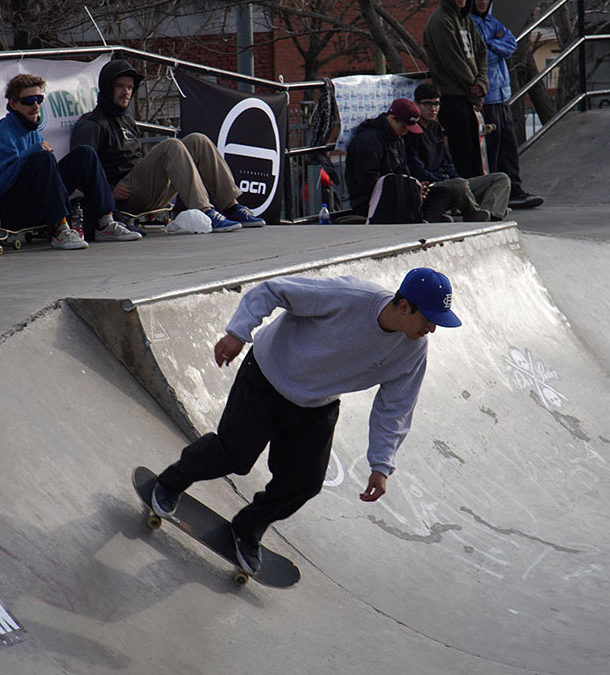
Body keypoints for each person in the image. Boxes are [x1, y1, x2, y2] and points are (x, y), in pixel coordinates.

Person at [151, 268, 462, 574]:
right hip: (266, 376)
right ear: (404, 306)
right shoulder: (349, 297)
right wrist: (237, 332)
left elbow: (396, 406)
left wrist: (381, 464)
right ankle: (171, 482)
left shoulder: (414, 350)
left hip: (316, 404)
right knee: (235, 455)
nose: (431, 330)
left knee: (304, 483)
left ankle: (247, 528)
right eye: (428, 320)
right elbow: (272, 289)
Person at [70, 59, 265, 233]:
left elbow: (139, 159)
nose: (126, 92)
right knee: (172, 145)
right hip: (123, 197)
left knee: (198, 140)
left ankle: (231, 206)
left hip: (146, 189)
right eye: (120, 86)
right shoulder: (92, 123)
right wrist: (109, 189)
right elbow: (81, 167)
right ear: (106, 88)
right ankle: (204, 211)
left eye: (130, 87)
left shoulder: (127, 119)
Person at [0, 74, 141, 250]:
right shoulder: (4, 131)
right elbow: (3, 183)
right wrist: (30, 154)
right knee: (43, 157)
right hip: (15, 210)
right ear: (13, 104)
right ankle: (60, 229)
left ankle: (105, 223)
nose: (35, 106)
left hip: (38, 202)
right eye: (28, 100)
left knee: (85, 154)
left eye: (39, 99)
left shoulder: (32, 130)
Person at [345, 98, 489, 223]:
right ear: (392, 118)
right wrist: (405, 190)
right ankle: (420, 217)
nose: (405, 132)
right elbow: (368, 182)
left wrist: (416, 187)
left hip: (397, 192)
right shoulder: (368, 141)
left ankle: (424, 217)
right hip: (373, 200)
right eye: (404, 127)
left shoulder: (398, 138)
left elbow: (403, 170)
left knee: (443, 192)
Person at [471, 0, 544, 209]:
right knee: (492, 149)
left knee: (508, 147)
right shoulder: (471, 24)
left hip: (502, 94)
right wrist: (496, 45)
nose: (482, 2)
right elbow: (481, 57)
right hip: (487, 94)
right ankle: (496, 194)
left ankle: (515, 189)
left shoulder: (493, 22)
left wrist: (491, 43)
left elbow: (510, 44)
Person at [406, 82, 511, 221]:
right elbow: (416, 169)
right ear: (417, 105)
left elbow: (447, 161)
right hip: (431, 186)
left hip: (451, 182)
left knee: (500, 178)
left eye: (436, 104)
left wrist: (455, 177)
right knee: (459, 185)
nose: (433, 109)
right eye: (427, 104)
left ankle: (491, 213)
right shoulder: (411, 131)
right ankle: (474, 213)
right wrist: (446, 180)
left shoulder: (436, 127)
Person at [423, 0, 488, 179]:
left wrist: (482, 82)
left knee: (476, 150)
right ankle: (466, 197)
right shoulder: (441, 20)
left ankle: (479, 193)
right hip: (452, 95)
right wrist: (473, 88)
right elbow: (453, 61)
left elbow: (482, 51)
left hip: (469, 95)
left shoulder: (466, 19)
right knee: (462, 151)